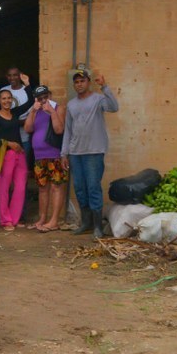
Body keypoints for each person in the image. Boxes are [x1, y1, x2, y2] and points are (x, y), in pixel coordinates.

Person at [61, 70, 119, 239]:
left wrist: (105, 87)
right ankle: (86, 223)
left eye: (82, 81)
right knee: (80, 189)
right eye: (76, 82)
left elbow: (114, 107)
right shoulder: (71, 104)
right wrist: (64, 153)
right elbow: (68, 131)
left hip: (94, 151)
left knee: (93, 188)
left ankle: (98, 226)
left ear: (88, 82)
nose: (79, 84)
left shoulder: (98, 99)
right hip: (75, 153)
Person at [0, 74, 33, 231]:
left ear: (12, 100)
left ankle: (15, 218)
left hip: (20, 155)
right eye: (4, 99)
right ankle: (5, 220)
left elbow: (31, 102)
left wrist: (27, 84)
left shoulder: (14, 113)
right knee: (4, 188)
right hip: (5, 155)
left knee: (20, 187)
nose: (6, 101)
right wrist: (8, 144)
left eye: (9, 98)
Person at [23, 85, 68, 232]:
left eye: (45, 97)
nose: (43, 100)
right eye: (40, 98)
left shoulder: (58, 108)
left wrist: (52, 112)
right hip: (39, 156)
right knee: (42, 188)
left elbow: (59, 129)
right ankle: (42, 218)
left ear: (49, 95)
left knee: (56, 187)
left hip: (54, 154)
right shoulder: (35, 109)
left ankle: (54, 220)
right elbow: (28, 128)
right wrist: (33, 111)